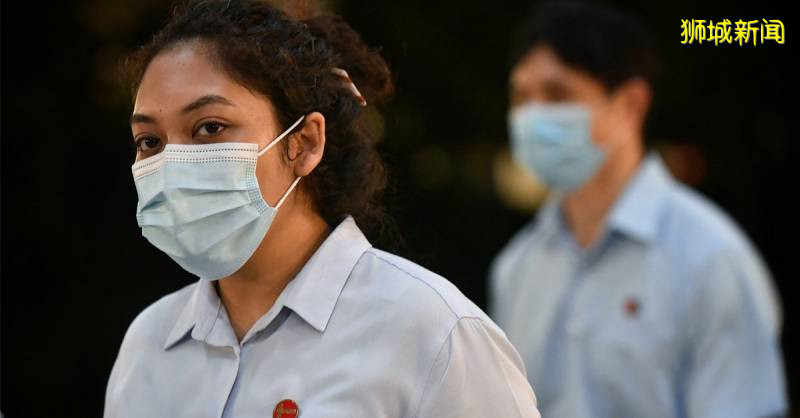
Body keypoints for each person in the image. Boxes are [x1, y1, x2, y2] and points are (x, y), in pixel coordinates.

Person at [104, 1, 541, 417]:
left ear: (305, 142)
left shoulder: (433, 332)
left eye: (210, 127)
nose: (173, 162)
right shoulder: (149, 344)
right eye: (150, 142)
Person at [490, 2, 787, 418]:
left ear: (630, 103)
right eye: (521, 96)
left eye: (558, 94)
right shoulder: (517, 267)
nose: (532, 115)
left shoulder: (711, 259)